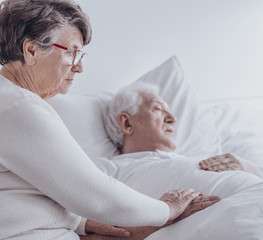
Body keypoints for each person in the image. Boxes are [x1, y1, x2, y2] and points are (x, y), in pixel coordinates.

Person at [0, 1, 218, 239]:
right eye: (71, 52)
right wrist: (167, 210)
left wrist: (81, 223)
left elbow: (17, 192)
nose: (80, 67)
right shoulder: (18, 107)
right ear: (31, 51)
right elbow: (93, 195)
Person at [103, 83, 263, 177]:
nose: (173, 119)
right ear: (127, 123)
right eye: (158, 108)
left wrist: (252, 170)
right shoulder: (111, 172)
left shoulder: (197, 161)